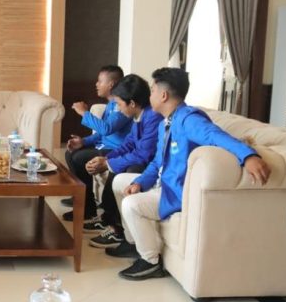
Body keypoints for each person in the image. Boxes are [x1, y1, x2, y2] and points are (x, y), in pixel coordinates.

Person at [110, 67, 271, 280]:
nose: (149, 96)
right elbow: (157, 162)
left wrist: (248, 156)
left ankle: (150, 261)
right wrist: (140, 182)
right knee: (120, 182)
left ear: (163, 95)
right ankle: (134, 242)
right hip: (163, 182)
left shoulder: (189, 119)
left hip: (175, 191)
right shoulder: (165, 123)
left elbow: (216, 136)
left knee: (132, 204)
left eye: (152, 90)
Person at [82, 74, 161, 249]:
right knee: (117, 165)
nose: (117, 108)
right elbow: (129, 144)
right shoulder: (138, 115)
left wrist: (108, 164)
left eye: (119, 104)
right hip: (142, 159)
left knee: (127, 169)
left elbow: (143, 155)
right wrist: (107, 158)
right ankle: (112, 222)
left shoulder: (153, 117)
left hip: (152, 166)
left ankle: (117, 229)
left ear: (131, 103)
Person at [63, 65, 132, 223]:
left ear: (111, 84)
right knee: (71, 152)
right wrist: (83, 141)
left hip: (116, 150)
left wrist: (84, 113)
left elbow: (106, 128)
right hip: (103, 146)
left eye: (100, 81)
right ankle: (83, 200)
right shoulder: (111, 104)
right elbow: (102, 133)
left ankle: (87, 207)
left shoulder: (122, 105)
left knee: (79, 157)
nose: (96, 84)